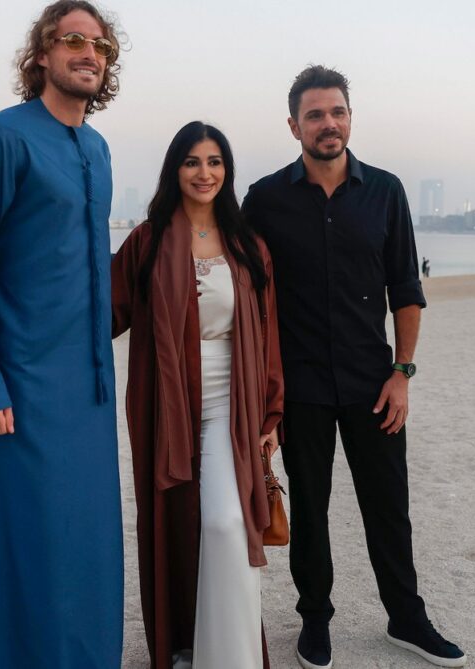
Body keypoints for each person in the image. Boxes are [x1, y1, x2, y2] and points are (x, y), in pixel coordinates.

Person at [242, 65, 467, 668]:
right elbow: (242, 285)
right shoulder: (264, 198)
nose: (328, 123)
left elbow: (406, 289)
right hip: (301, 386)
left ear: (350, 118)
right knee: (310, 509)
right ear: (294, 126)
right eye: (314, 114)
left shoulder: (386, 191)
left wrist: (403, 373)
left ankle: (407, 619)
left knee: (388, 505)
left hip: (374, 383)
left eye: (337, 112)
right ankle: (315, 619)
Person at [0, 2, 124, 667]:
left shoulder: (98, 150)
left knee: (85, 541)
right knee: (14, 538)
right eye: (72, 39)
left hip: (88, 389)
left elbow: (92, 266)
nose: (88, 53)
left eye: (99, 45)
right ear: (42, 53)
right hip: (15, 381)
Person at [112, 121, 285, 669]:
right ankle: (188, 647)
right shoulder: (148, 241)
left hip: (233, 403)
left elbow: (268, 333)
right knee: (177, 523)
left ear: (226, 171)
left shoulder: (248, 245)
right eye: (192, 161)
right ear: (175, 170)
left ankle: (232, 658)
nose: (204, 172)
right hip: (167, 403)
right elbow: (105, 313)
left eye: (214, 161)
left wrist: (272, 413)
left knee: (226, 523)